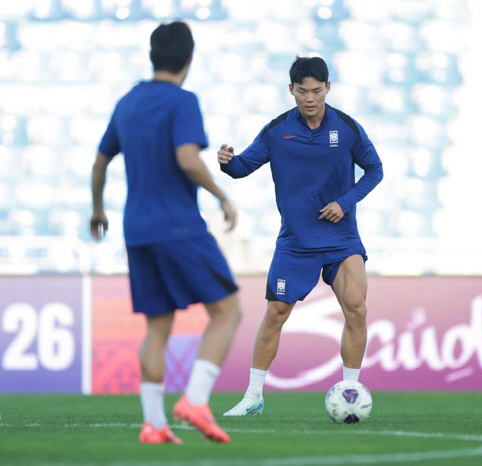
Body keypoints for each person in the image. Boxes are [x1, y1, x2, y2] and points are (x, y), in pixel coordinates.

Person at [90, 21, 240, 444]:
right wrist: (221, 196)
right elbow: (188, 159)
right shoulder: (182, 101)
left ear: (152, 56)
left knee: (158, 327)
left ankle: (153, 424)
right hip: (178, 227)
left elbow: (100, 163)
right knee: (227, 311)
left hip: (136, 231)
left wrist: (98, 208)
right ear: (189, 60)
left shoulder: (127, 103)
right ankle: (194, 399)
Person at [218, 56, 383, 416]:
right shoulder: (278, 130)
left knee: (357, 309)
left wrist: (345, 201)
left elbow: (374, 169)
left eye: (317, 90)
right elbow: (244, 166)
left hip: (341, 240)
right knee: (275, 313)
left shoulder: (347, 128)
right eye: (303, 91)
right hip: (296, 243)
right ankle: (253, 397)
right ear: (291, 90)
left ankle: (351, 391)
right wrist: (228, 162)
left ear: (328, 89)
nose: (310, 98)